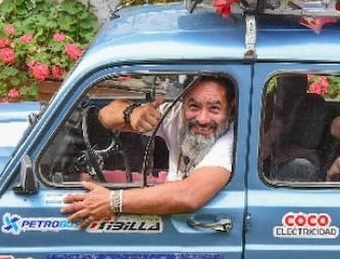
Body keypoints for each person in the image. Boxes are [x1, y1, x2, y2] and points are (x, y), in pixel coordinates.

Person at [60, 75, 235, 224]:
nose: (202, 119)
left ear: (230, 108)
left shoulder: (232, 141)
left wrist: (113, 201)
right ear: (183, 104)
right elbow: (105, 116)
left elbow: (190, 194)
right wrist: (132, 113)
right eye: (194, 106)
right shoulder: (177, 116)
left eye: (214, 108)